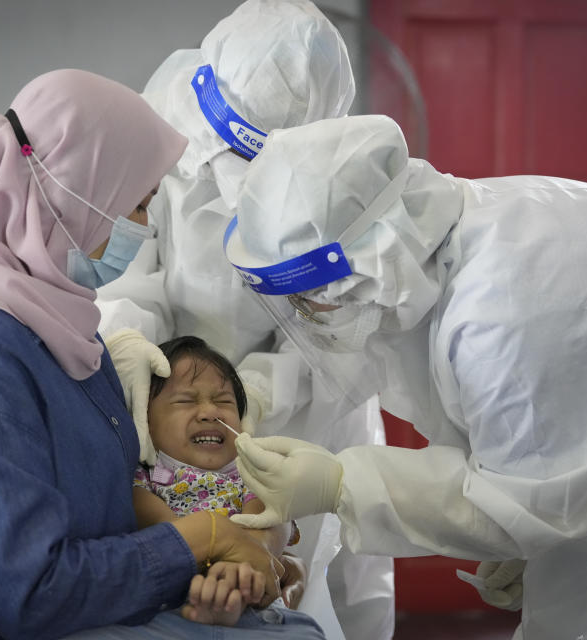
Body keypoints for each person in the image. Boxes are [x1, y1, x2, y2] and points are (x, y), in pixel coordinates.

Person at [0, 69, 333, 640]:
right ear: (71, 199)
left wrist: (234, 571)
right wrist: (200, 539)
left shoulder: (47, 321)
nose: (145, 229)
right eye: (135, 207)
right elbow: (28, 592)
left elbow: (101, 516)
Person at [222, 113, 587, 639]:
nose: (304, 313)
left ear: (359, 275)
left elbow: (516, 502)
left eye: (306, 299)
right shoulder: (452, 231)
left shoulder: (497, 314)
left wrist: (345, 486)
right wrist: (257, 385)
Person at [95, 2, 395, 637]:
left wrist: (262, 390)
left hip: (303, 398)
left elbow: (345, 324)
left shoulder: (343, 188)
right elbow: (128, 250)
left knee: (324, 559)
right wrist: (124, 335)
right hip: (166, 401)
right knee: (172, 560)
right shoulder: (163, 128)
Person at [132, 335, 311, 628]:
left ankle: (230, 605)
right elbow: (165, 531)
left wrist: (244, 561)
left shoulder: (250, 473)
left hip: (248, 583)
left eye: (224, 401)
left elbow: (267, 519)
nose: (210, 412)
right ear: (144, 422)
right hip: (174, 589)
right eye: (185, 400)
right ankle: (213, 606)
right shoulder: (143, 477)